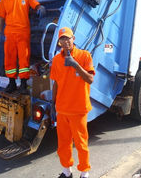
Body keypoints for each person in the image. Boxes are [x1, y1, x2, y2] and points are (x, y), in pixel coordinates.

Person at [50, 27, 95, 178]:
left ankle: (84, 172)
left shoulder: (84, 56)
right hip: (62, 109)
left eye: (68, 38)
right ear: (59, 42)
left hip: (78, 109)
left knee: (81, 143)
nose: (65, 41)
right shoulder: (56, 60)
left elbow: (90, 79)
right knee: (63, 144)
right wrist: (52, 102)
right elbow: (56, 83)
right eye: (62, 39)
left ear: (73, 38)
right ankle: (67, 171)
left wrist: (75, 65)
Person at [0, 0, 46, 94]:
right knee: (9, 59)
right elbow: (1, 18)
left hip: (23, 32)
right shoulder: (4, 0)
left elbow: (36, 5)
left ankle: (23, 84)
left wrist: (40, 8)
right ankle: (11, 83)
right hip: (10, 33)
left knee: (24, 59)